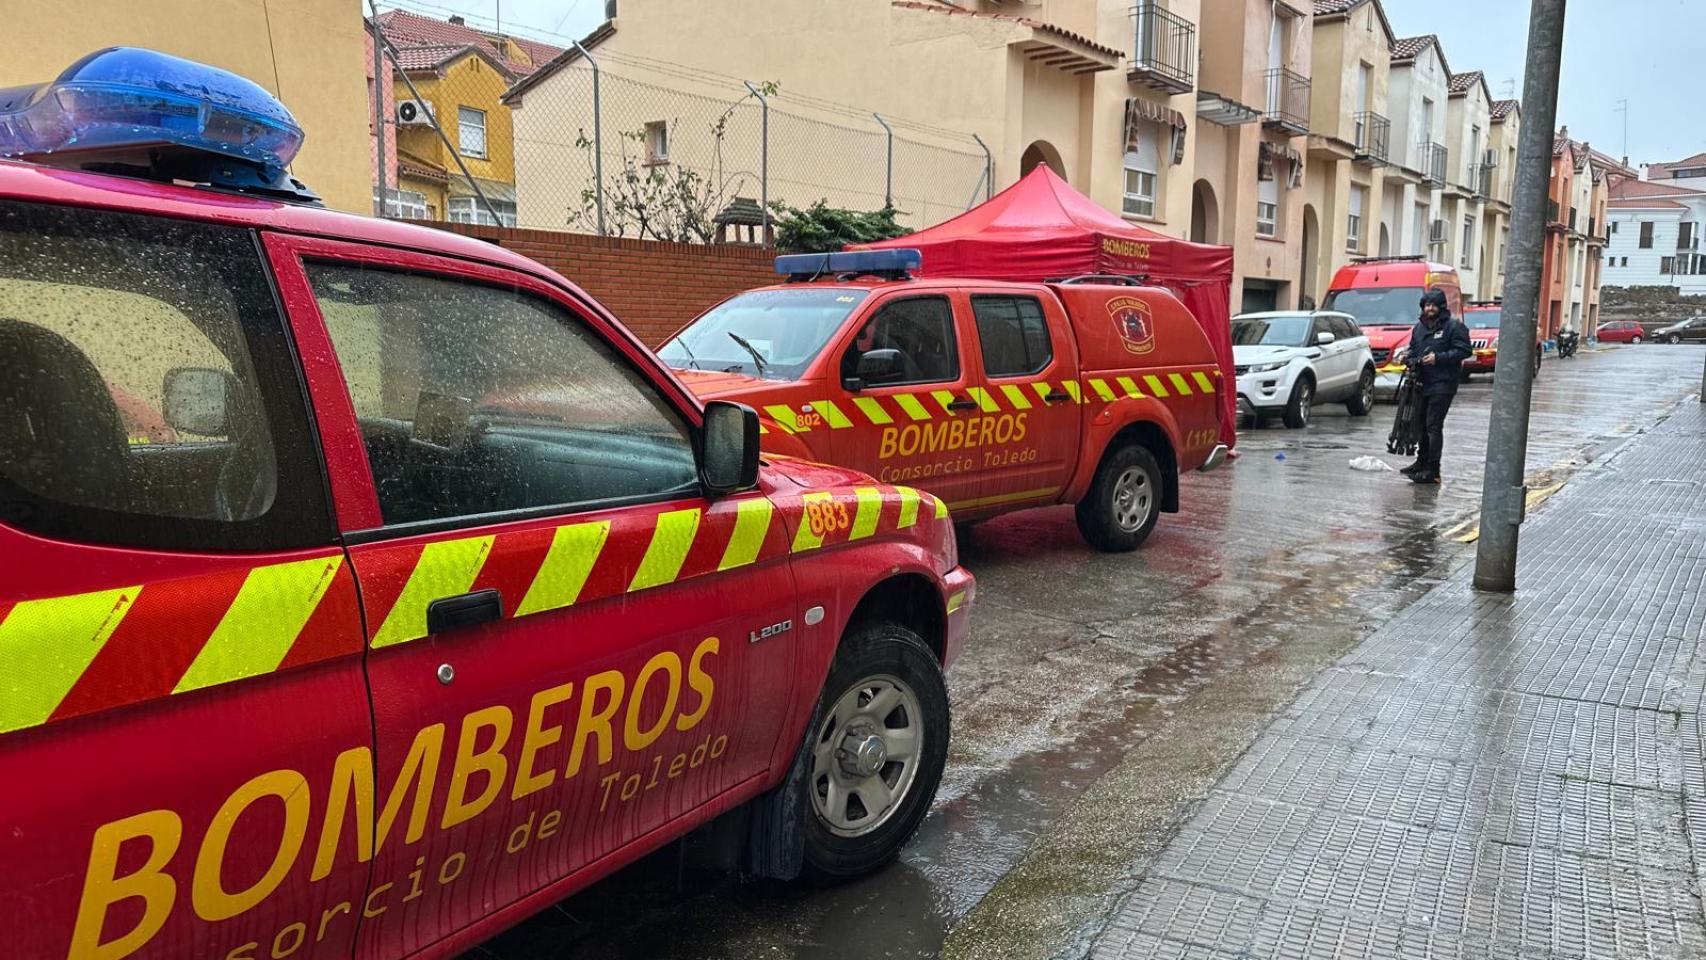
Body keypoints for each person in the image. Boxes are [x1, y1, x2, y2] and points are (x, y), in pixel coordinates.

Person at [1400, 288, 1472, 484]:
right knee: (1421, 424)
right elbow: (1414, 348)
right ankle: (1421, 462)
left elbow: (1464, 350)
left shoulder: (1453, 327)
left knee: (1433, 425)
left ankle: (1433, 470)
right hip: (1422, 382)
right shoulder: (1419, 327)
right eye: (1426, 305)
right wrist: (1408, 357)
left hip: (1443, 383)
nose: (1429, 308)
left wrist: (1438, 358)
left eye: (1432, 305)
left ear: (1441, 307)